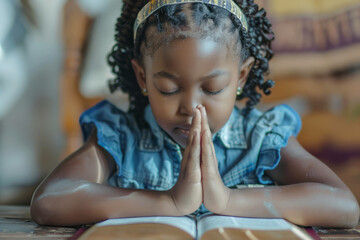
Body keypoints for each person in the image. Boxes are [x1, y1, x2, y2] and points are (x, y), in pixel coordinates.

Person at [30, 0, 359, 227]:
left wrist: (228, 201)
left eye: (213, 88)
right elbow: (49, 201)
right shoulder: (120, 134)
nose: (191, 107)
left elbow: (344, 207)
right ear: (143, 77)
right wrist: (168, 203)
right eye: (169, 89)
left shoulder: (262, 136)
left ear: (241, 76)